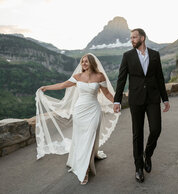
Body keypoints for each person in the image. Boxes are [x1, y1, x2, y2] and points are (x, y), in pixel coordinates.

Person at [36, 53, 120, 185]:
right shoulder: (78, 76)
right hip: (80, 111)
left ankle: (85, 169)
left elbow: (107, 93)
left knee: (91, 136)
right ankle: (83, 163)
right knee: (81, 138)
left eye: (86, 61)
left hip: (93, 110)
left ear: (92, 62)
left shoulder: (99, 76)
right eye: (82, 62)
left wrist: (116, 103)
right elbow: (63, 85)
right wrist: (47, 87)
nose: (84, 64)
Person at [113, 28, 170, 183]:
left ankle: (148, 154)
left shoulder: (155, 55)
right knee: (137, 134)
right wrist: (117, 100)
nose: (132, 39)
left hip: (152, 98)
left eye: (134, 37)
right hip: (136, 99)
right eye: (131, 37)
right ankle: (138, 167)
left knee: (156, 129)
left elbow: (159, 78)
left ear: (142, 38)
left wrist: (165, 99)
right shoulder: (128, 56)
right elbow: (121, 79)